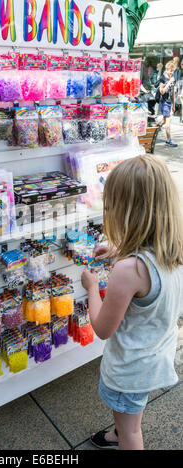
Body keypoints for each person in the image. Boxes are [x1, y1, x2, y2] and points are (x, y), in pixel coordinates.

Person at [81, 155, 183, 451]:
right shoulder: (173, 248)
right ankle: (118, 431)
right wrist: (118, 251)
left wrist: (91, 288)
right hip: (155, 355)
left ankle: (122, 436)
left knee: (132, 432)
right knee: (129, 410)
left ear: (124, 212)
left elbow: (102, 329)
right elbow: (149, 266)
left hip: (130, 368)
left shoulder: (129, 270)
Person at [158, 61, 177, 147]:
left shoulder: (173, 78)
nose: (171, 72)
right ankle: (169, 140)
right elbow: (162, 92)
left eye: (173, 71)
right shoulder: (162, 78)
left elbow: (173, 92)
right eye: (170, 70)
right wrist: (169, 82)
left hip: (169, 103)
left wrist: (173, 105)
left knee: (164, 120)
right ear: (166, 70)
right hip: (164, 102)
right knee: (168, 122)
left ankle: (156, 128)